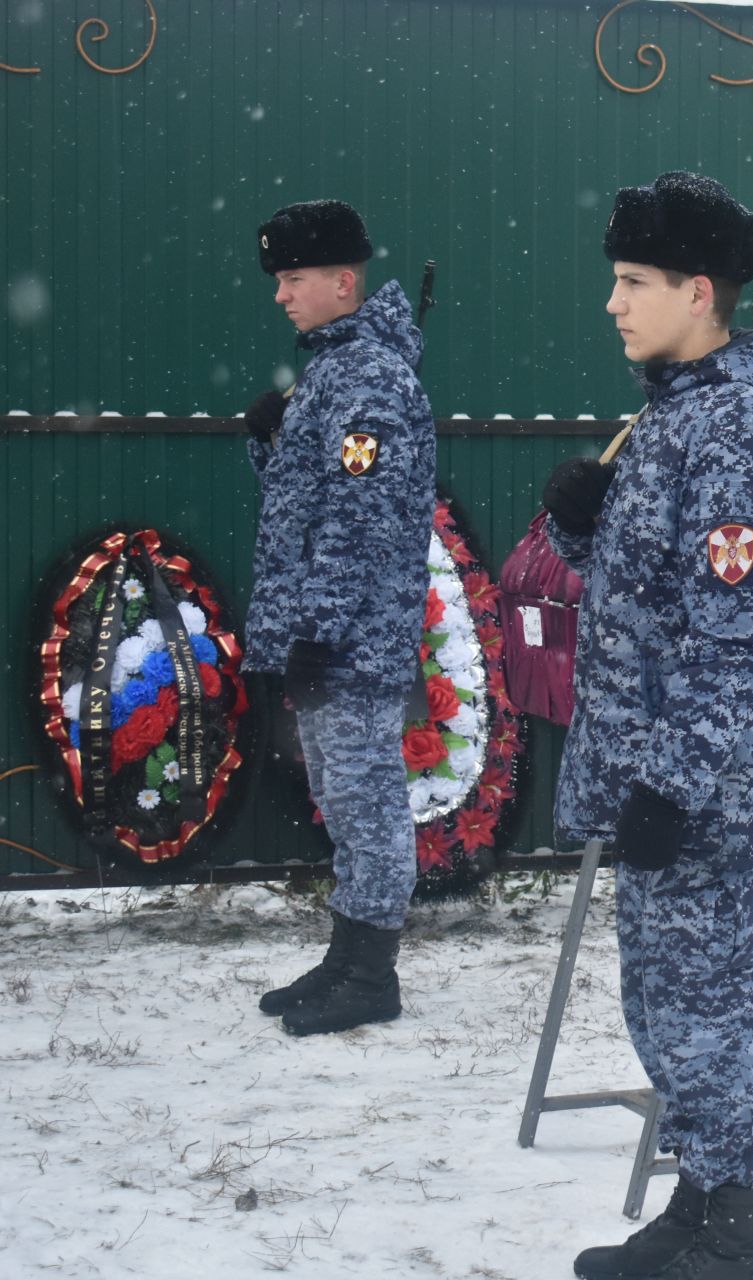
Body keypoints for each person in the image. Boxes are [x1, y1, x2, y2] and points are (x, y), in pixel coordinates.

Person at [543, 172, 753, 1280]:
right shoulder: (676, 418)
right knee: (667, 1006)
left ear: (698, 292)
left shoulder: (738, 434)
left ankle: (734, 1232)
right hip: (666, 777)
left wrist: (672, 778)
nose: (612, 303)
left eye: (632, 282)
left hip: (702, 789)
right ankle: (701, 1200)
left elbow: (740, 635)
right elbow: (655, 597)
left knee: (708, 1012)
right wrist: (580, 529)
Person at [244, 200, 436, 1037]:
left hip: (350, 638)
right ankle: (345, 956)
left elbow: (362, 518)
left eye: (293, 279)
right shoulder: (335, 369)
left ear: (341, 281)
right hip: (326, 632)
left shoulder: (368, 378)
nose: (283, 296)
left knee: (367, 802)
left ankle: (371, 974)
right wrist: (271, 443)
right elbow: (307, 502)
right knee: (342, 796)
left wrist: (320, 627)